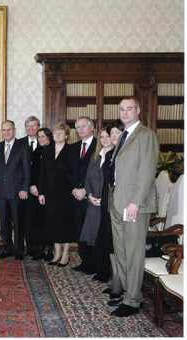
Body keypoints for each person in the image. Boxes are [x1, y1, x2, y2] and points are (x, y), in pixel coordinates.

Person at [108, 97, 159, 317]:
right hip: (118, 202)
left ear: (138, 110)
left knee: (134, 252)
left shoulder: (145, 135)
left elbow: (147, 171)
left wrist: (135, 202)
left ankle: (133, 300)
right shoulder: (124, 135)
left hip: (133, 206)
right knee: (121, 252)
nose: (125, 112)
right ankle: (129, 293)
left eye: (130, 109)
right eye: (122, 109)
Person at [0, 120, 30, 260]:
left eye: (9, 129)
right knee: (4, 222)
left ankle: (19, 250)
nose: (6, 132)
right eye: (4, 130)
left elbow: (26, 170)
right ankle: (7, 248)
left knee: (18, 222)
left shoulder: (22, 146)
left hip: (17, 191)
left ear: (14, 130)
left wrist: (25, 188)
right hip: (1, 192)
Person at [38, 122, 76, 267]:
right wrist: (41, 192)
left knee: (64, 223)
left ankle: (65, 254)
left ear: (66, 136)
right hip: (49, 193)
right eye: (55, 133)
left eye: (61, 133)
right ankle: (57, 253)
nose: (57, 135)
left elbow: (74, 173)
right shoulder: (47, 150)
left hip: (66, 193)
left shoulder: (71, 150)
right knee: (52, 223)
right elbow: (42, 173)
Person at [79, 126, 114, 281]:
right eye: (102, 137)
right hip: (93, 202)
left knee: (104, 239)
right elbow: (88, 179)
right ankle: (95, 267)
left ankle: (105, 272)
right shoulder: (96, 156)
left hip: (107, 204)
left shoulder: (115, 156)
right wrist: (90, 195)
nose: (105, 139)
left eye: (108, 136)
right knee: (91, 236)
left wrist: (104, 199)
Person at [96, 122, 125, 299]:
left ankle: (120, 285)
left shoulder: (124, 153)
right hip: (109, 202)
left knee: (117, 246)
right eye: (110, 133)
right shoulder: (110, 155)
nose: (113, 137)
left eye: (116, 133)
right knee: (110, 244)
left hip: (119, 203)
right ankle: (116, 281)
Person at [70, 116, 97, 274]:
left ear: (92, 127)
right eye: (77, 127)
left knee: (92, 230)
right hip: (75, 196)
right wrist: (74, 189)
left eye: (83, 126)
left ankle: (94, 263)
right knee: (80, 229)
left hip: (92, 195)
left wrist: (85, 190)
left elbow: (97, 173)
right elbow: (69, 172)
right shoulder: (73, 147)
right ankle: (84, 261)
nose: (80, 130)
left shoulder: (99, 145)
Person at [18, 116, 42, 257]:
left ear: (38, 127)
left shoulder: (45, 141)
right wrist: (24, 187)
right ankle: (22, 249)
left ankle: (37, 249)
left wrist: (38, 187)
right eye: (28, 126)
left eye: (34, 126)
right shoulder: (19, 143)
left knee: (38, 220)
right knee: (23, 220)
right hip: (23, 189)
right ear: (25, 128)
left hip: (39, 189)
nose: (31, 129)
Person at [30, 127, 54, 260]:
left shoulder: (55, 150)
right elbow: (32, 171)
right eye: (39, 137)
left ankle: (50, 249)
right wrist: (32, 185)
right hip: (36, 191)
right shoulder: (36, 152)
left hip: (49, 191)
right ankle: (39, 249)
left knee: (49, 221)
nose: (41, 139)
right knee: (38, 221)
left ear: (49, 137)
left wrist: (44, 189)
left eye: (43, 136)